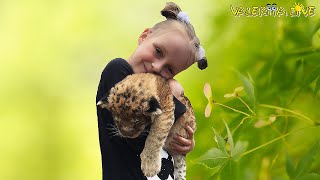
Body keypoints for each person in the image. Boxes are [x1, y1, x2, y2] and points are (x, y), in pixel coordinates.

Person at [96, 2, 207, 180]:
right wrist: (174, 93)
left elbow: (175, 124)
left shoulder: (160, 94)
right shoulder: (118, 70)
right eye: (158, 51)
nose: (156, 67)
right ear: (145, 35)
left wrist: (185, 143)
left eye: (169, 70)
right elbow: (133, 137)